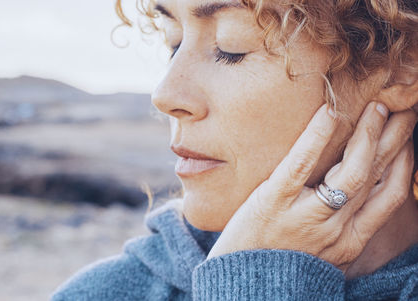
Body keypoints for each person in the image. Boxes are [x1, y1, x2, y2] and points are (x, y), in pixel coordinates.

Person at [51, 0, 418, 300]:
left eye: (231, 47)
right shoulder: (103, 293)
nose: (164, 96)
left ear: (401, 68)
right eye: (174, 41)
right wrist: (259, 274)